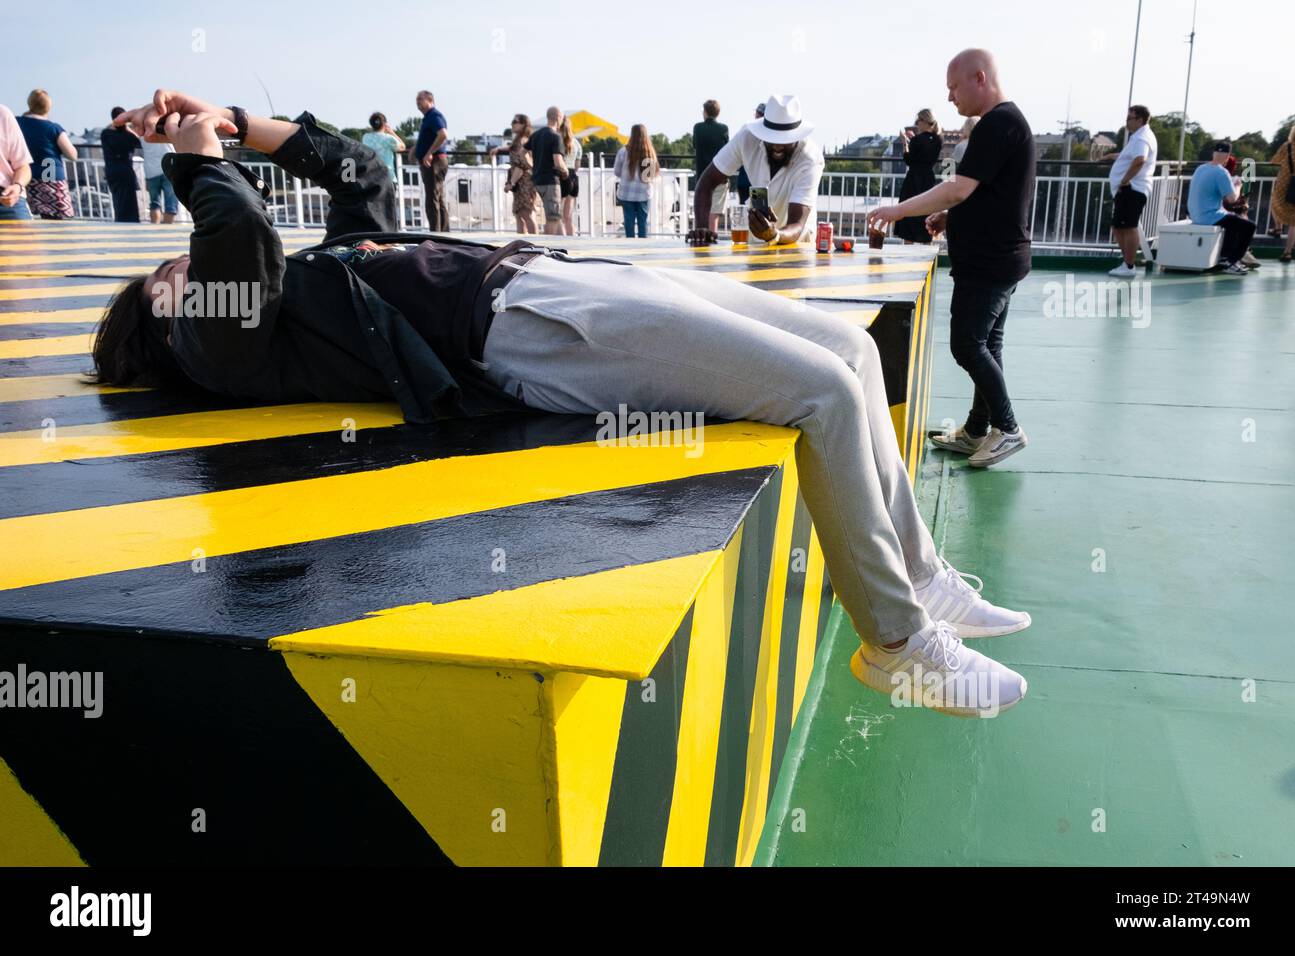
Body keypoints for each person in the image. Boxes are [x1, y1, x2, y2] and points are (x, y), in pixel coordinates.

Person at [99, 88, 1034, 719]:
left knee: (849, 350)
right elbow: (241, 242)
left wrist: (227, 117)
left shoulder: (314, 280)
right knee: (822, 392)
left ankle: (918, 570)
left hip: (555, 277)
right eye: (164, 285)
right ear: (165, 331)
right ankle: (896, 643)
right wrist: (195, 164)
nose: (176, 271)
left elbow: (360, 175)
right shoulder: (221, 342)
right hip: (530, 329)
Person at [868, 49, 1034, 469]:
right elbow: (985, 193)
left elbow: (959, 187)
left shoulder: (998, 123)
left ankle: (1008, 427)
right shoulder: (1003, 123)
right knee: (988, 345)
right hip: (1000, 257)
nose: (949, 98)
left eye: (953, 87)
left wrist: (899, 210)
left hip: (990, 261)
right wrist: (950, 216)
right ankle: (979, 429)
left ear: (979, 78)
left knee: (967, 344)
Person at [688, 94, 824, 247]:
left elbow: (797, 224)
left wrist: (775, 234)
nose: (777, 146)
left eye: (784, 141)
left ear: (797, 137)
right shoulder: (747, 138)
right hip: (757, 240)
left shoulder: (811, 158)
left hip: (797, 244)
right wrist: (702, 228)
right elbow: (707, 182)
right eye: (772, 138)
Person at [1099, 105, 1157, 277]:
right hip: (1129, 189)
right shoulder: (1139, 137)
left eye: (1129, 119)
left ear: (1139, 119)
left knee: (1128, 227)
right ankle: (1127, 263)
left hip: (1132, 188)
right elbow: (1129, 156)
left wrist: (1125, 180)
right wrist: (1111, 157)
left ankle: (1129, 266)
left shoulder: (1141, 138)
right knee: (1118, 227)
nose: (1127, 123)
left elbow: (1140, 160)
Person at [1188, 141, 1255, 276]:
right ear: (1228, 156)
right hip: (1208, 217)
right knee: (1249, 226)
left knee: (1231, 223)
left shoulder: (1200, 168)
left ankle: (1224, 258)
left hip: (1195, 214)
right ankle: (1232, 262)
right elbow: (1232, 199)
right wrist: (1237, 185)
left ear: (1214, 153)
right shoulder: (1221, 172)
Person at [16, 89, 77, 219]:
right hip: (49, 174)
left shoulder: (17, 122)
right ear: (48, 106)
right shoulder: (53, 128)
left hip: (25, 175)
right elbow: (72, 155)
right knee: (57, 218)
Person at [894, 109, 943, 244]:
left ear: (924, 121)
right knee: (927, 212)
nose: (916, 124)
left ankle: (908, 253)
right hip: (928, 179)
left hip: (914, 179)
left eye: (918, 121)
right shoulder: (938, 140)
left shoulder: (917, 140)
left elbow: (910, 160)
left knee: (909, 212)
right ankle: (927, 247)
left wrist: (905, 142)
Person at [488, 114, 540, 235]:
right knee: (520, 215)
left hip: (523, 182)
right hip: (524, 181)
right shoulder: (522, 140)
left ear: (523, 124)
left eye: (514, 122)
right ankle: (524, 242)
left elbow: (521, 165)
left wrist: (511, 183)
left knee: (526, 214)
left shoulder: (521, 141)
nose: (512, 124)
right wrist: (499, 149)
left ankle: (535, 242)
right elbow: (512, 149)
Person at [613, 125, 658, 238]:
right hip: (644, 194)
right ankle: (642, 247)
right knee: (643, 222)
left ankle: (630, 246)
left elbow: (617, 172)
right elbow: (650, 176)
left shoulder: (623, 151)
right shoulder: (649, 152)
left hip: (626, 193)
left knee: (628, 222)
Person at [530, 106, 568, 237]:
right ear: (558, 118)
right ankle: (548, 246)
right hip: (551, 181)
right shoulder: (555, 137)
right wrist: (565, 170)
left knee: (551, 217)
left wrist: (532, 166)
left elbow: (523, 152)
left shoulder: (536, 135)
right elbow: (558, 161)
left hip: (537, 179)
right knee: (553, 217)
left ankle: (559, 244)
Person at [413, 90, 448, 231]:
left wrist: (428, 153)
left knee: (432, 198)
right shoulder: (428, 117)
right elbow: (430, 137)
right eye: (417, 100)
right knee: (437, 198)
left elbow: (442, 135)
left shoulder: (434, 116)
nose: (417, 102)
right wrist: (416, 149)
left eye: (420, 99)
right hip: (433, 162)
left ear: (430, 100)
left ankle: (437, 233)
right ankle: (442, 232)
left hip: (434, 163)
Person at [693, 99, 730, 233]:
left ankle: (702, 237)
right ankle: (712, 236)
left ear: (705, 112)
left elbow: (695, 145)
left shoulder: (697, 128)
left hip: (702, 174)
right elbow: (727, 149)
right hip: (720, 173)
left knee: (702, 208)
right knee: (714, 212)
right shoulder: (724, 129)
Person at [101, 107, 141, 222]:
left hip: (112, 171)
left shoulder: (106, 134)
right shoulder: (128, 136)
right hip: (126, 171)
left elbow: (109, 128)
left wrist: (114, 124)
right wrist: (128, 128)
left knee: (118, 202)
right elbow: (139, 142)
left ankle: (120, 222)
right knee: (131, 205)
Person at [1270, 121, 1295, 264]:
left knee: (1275, 203)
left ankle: (1277, 227)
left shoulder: (1287, 146)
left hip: (1284, 184)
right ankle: (1287, 253)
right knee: (1294, 221)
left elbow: (1274, 161)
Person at [0, 103, 34, 221]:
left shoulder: (3, 114)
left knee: (24, 239)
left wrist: (17, 186)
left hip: (5, 199)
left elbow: (23, 167)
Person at [140, 139, 178, 223]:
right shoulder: (167, 128)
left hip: (151, 171)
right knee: (171, 204)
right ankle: (167, 232)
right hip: (169, 168)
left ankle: (155, 229)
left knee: (154, 204)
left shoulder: (144, 133)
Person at [362, 112, 406, 184]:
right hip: (387, 177)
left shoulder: (366, 137)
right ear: (385, 124)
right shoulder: (388, 138)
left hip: (370, 176)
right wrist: (392, 133)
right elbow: (403, 147)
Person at [558, 113, 582, 236]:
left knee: (558, 216)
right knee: (568, 217)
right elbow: (577, 165)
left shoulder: (558, 140)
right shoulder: (576, 143)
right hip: (573, 177)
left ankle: (561, 242)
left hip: (562, 176)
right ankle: (572, 240)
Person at [735, 102, 764, 205]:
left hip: (744, 181)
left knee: (744, 211)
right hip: (758, 183)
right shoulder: (767, 136)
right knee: (759, 211)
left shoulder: (747, 130)